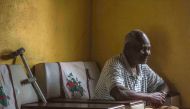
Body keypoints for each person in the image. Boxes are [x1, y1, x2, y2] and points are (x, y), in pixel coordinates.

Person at [94, 29, 169, 107]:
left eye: (148, 49)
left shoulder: (143, 67)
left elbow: (162, 85)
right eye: (143, 49)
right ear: (128, 48)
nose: (148, 53)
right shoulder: (113, 64)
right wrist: (150, 97)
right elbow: (119, 93)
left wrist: (161, 96)